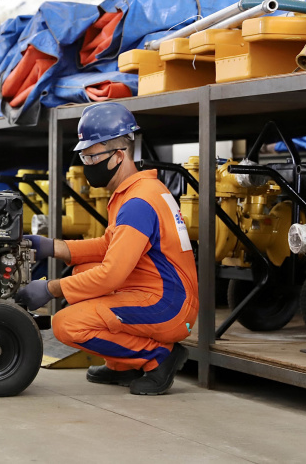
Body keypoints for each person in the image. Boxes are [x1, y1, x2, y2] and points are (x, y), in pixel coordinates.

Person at [15, 102, 198, 395]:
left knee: (66, 324)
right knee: (83, 270)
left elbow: (112, 275)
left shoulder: (138, 203)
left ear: (118, 155)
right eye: (84, 156)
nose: (86, 164)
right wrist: (52, 247)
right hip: (160, 291)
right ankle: (122, 365)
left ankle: (159, 357)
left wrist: (50, 289)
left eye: (91, 157)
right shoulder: (134, 191)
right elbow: (109, 246)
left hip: (169, 307)